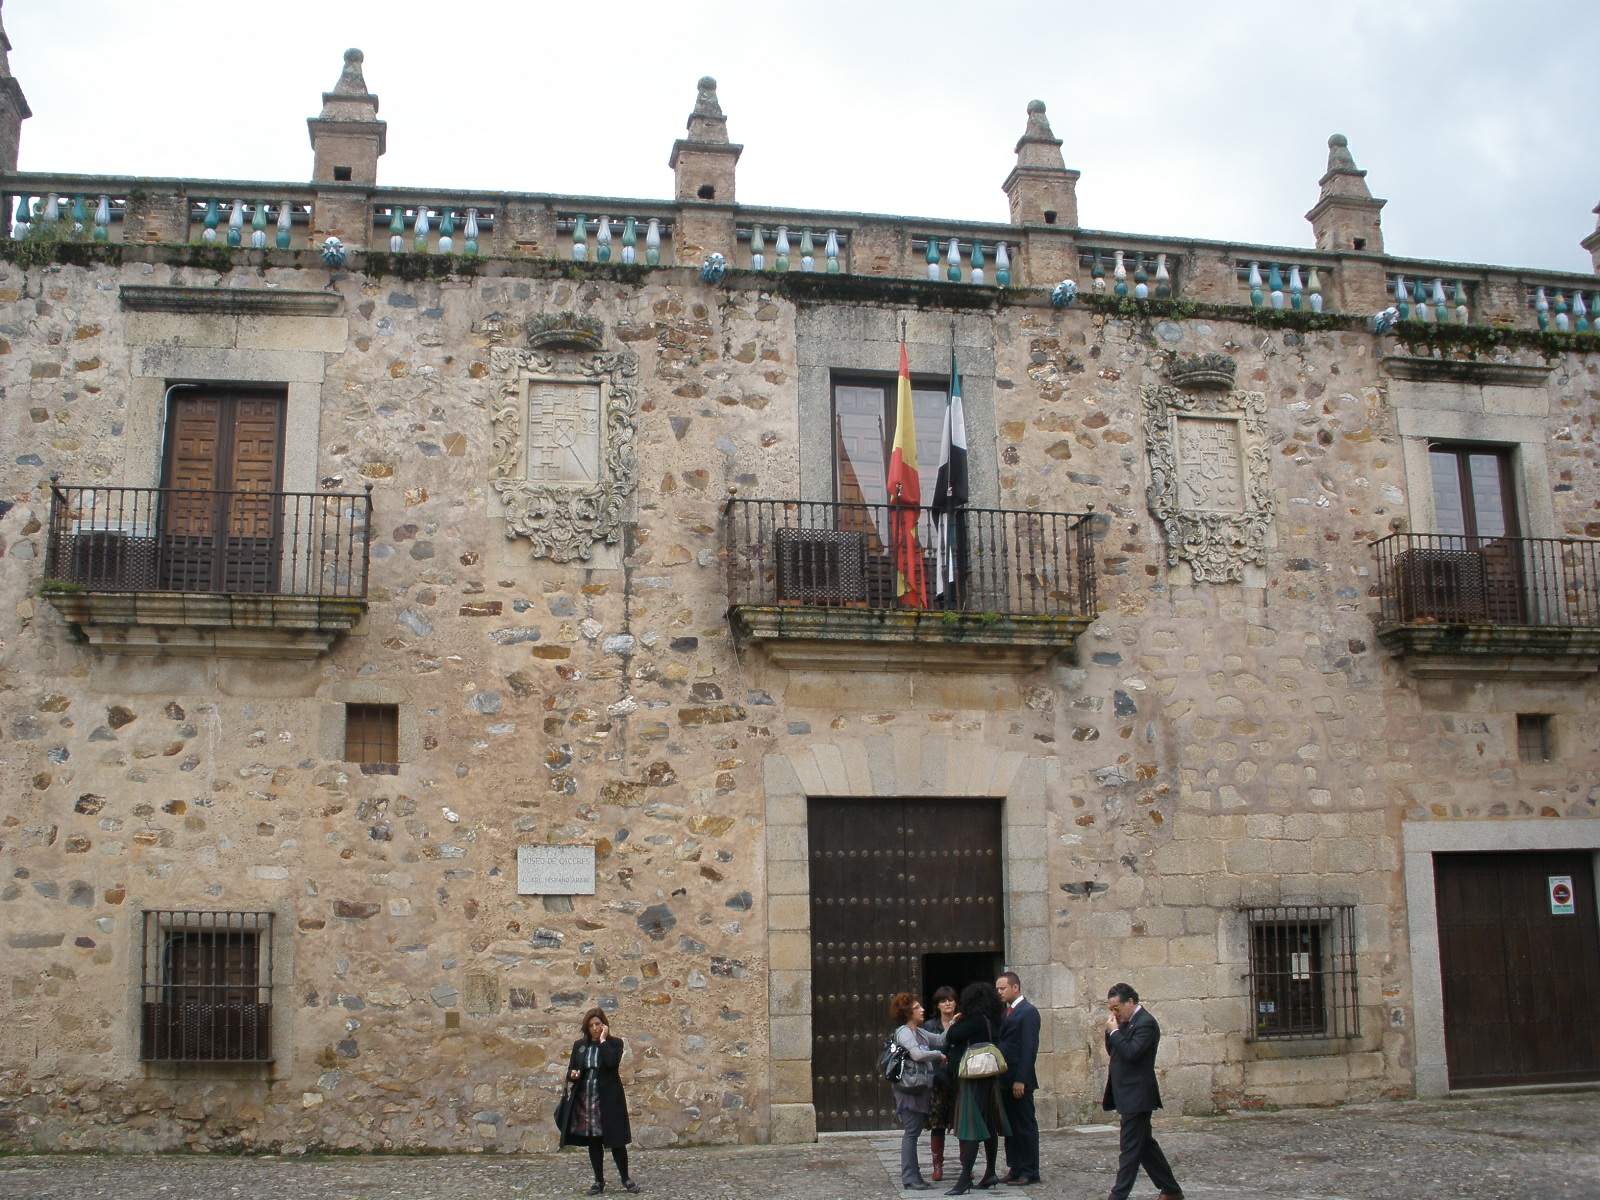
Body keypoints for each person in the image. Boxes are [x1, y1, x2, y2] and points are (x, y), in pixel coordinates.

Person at [1102, 983, 1182, 1200]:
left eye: (1117, 1007)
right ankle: (1171, 1190)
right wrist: (1113, 1031)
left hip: (1138, 1095)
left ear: (1130, 1002)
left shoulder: (1145, 1023)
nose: (1114, 1013)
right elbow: (1114, 1050)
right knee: (1145, 1146)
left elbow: (1131, 1053)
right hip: (1125, 1094)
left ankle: (1117, 1196)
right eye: (1111, 1008)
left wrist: (1116, 1031)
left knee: (1129, 1150)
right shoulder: (1124, 1022)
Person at [941, 980, 1012, 1195]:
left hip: (972, 1079)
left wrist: (953, 1023)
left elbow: (952, 1036)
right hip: (989, 1078)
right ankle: (990, 1171)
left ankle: (964, 1179)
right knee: (989, 1125)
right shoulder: (994, 1019)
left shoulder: (973, 1020)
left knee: (969, 1127)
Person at [561, 1007, 640, 1195]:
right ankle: (598, 1181)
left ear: (604, 1025)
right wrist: (572, 1074)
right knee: (594, 1141)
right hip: (587, 1101)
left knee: (616, 1141)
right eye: (591, 1025)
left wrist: (603, 1041)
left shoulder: (615, 1044)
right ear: (586, 1028)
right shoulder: (579, 1046)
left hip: (609, 1100)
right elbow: (572, 1071)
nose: (595, 1028)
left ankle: (626, 1178)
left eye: (598, 1024)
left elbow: (611, 1063)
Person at [889, 991, 949, 1190]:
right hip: (908, 1089)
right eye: (916, 1008)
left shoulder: (920, 1031)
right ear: (907, 1012)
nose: (922, 1009)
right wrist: (938, 1055)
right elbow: (916, 1054)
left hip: (919, 1088)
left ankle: (914, 1176)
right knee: (911, 1133)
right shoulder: (904, 1032)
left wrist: (952, 1022)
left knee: (913, 1132)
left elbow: (940, 1039)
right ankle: (909, 1177)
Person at [994, 970, 1041, 1186]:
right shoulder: (1006, 1013)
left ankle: (1030, 1170)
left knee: (1024, 1125)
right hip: (1004, 1078)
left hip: (1019, 1079)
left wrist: (1021, 1079)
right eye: (997, 989)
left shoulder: (1028, 1012)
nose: (999, 992)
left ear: (1015, 987)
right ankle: (1015, 1167)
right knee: (1010, 1126)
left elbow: (1028, 1048)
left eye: (1002, 988)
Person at [923, 985, 960, 1182]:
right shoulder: (930, 1026)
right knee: (937, 1124)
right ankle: (937, 1166)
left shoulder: (963, 1023)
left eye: (951, 999)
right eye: (943, 1000)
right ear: (937, 1005)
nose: (948, 1003)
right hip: (938, 1080)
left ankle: (966, 1164)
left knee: (962, 1124)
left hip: (958, 1079)